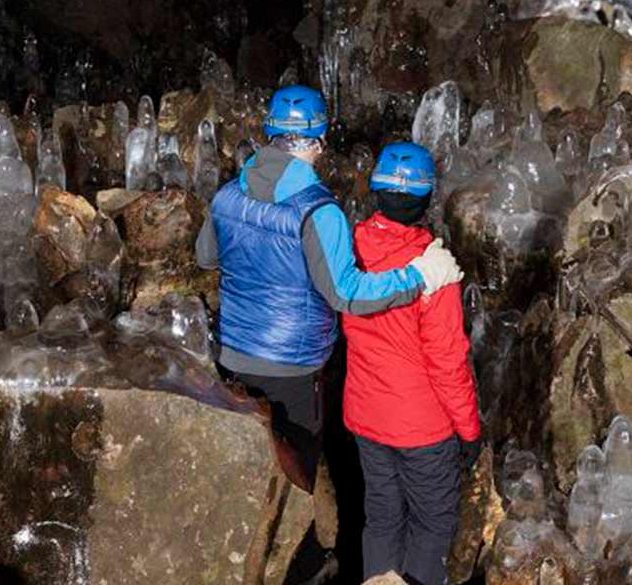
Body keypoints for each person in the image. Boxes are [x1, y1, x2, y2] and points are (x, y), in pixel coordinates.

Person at [195, 85, 463, 486]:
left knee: (242, 474)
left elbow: (206, 257)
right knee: (294, 479)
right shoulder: (318, 210)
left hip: (231, 355)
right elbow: (347, 293)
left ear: (271, 133)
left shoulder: (228, 194)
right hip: (291, 367)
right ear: (318, 140)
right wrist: (419, 276)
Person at [343, 141, 482, 585]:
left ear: (376, 192)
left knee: (382, 518)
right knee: (433, 523)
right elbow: (447, 361)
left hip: (366, 417)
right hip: (423, 428)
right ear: (426, 200)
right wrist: (469, 430)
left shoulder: (349, 251)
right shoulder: (433, 269)